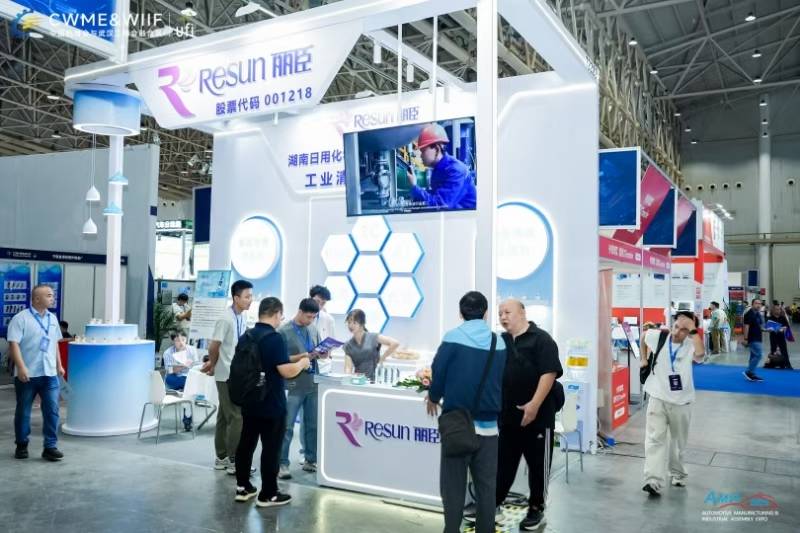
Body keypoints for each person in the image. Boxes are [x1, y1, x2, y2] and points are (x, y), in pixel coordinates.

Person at [425, 291, 507, 533]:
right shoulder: (499, 342)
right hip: (489, 428)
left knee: (453, 489)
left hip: (458, 425)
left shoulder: (453, 338)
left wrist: (433, 397)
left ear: (461, 313)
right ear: (486, 312)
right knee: (486, 489)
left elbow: (438, 372)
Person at [492, 299, 563, 531]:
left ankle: (536, 509)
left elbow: (549, 373)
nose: (503, 317)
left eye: (507, 312)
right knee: (504, 465)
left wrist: (534, 405)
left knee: (538, 467)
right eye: (500, 313)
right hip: (508, 418)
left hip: (538, 418)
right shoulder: (501, 342)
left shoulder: (542, 340)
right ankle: (493, 504)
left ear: (522, 312)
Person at [234, 297, 311, 507]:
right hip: (271, 404)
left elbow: (271, 361)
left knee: (246, 444)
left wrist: (296, 358)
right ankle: (269, 494)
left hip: (249, 400)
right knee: (271, 448)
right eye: (280, 315)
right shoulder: (274, 338)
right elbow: (285, 371)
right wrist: (303, 363)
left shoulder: (247, 336)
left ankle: (243, 487)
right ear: (277, 314)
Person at [641, 311, 705, 496]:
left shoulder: (691, 345)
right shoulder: (660, 337)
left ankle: (677, 474)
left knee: (678, 441)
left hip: (682, 401)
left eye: (684, 329)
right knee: (654, 439)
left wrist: (692, 329)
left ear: (690, 331)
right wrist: (643, 359)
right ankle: (653, 480)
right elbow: (643, 335)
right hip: (657, 396)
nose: (677, 332)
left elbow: (700, 354)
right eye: (676, 326)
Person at [7, 285, 65, 461]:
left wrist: (59, 365)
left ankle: (50, 447)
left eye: (52, 295)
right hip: (28, 374)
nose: (52, 298)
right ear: (37, 298)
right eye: (49, 295)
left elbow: (54, 343)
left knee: (52, 411)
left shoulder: (52, 318)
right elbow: (13, 344)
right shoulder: (20, 318)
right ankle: (21, 445)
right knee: (24, 411)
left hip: (49, 374)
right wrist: (21, 367)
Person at [201, 280, 253, 474]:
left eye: (251, 296)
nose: (250, 300)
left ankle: (221, 457)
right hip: (226, 375)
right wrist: (213, 365)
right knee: (236, 417)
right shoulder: (225, 318)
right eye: (247, 296)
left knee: (224, 416)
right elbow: (213, 346)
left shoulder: (241, 316)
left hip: (237, 373)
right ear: (236, 298)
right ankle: (234, 460)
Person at [278, 298, 329, 479]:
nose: (310, 320)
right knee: (287, 426)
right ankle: (282, 463)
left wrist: (323, 353)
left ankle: (310, 459)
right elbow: (281, 359)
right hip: (292, 384)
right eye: (308, 316)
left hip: (312, 383)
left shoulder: (313, 329)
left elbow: (318, 354)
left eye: (314, 317)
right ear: (300, 312)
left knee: (312, 424)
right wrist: (303, 356)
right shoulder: (283, 331)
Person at [407, 123, 476, 210]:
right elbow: (436, 196)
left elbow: (440, 205)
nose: (421, 155)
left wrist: (414, 187)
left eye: (423, 151)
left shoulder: (456, 171)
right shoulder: (438, 169)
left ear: (436, 149)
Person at [343, 309, 400, 381]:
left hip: (377, 380)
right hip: (360, 381)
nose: (351, 326)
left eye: (354, 322)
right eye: (349, 322)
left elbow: (395, 343)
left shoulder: (373, 337)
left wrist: (382, 359)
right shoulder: (348, 345)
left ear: (362, 324)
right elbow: (348, 368)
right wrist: (348, 378)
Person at [742, 298, 766, 382]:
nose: (758, 305)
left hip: (758, 337)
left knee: (753, 356)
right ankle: (749, 372)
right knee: (759, 355)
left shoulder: (758, 314)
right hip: (752, 338)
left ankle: (751, 373)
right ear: (752, 304)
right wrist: (745, 339)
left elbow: (760, 327)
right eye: (756, 303)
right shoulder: (749, 314)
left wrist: (768, 329)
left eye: (760, 303)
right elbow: (746, 326)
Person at [765, 302, 792, 370]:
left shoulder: (783, 318)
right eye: (776, 309)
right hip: (773, 337)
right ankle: (771, 364)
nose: (778, 311)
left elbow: (787, 326)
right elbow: (767, 328)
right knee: (773, 350)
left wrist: (783, 328)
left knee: (784, 351)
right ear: (773, 310)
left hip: (781, 337)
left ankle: (787, 365)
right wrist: (771, 329)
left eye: (779, 309)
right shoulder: (770, 318)